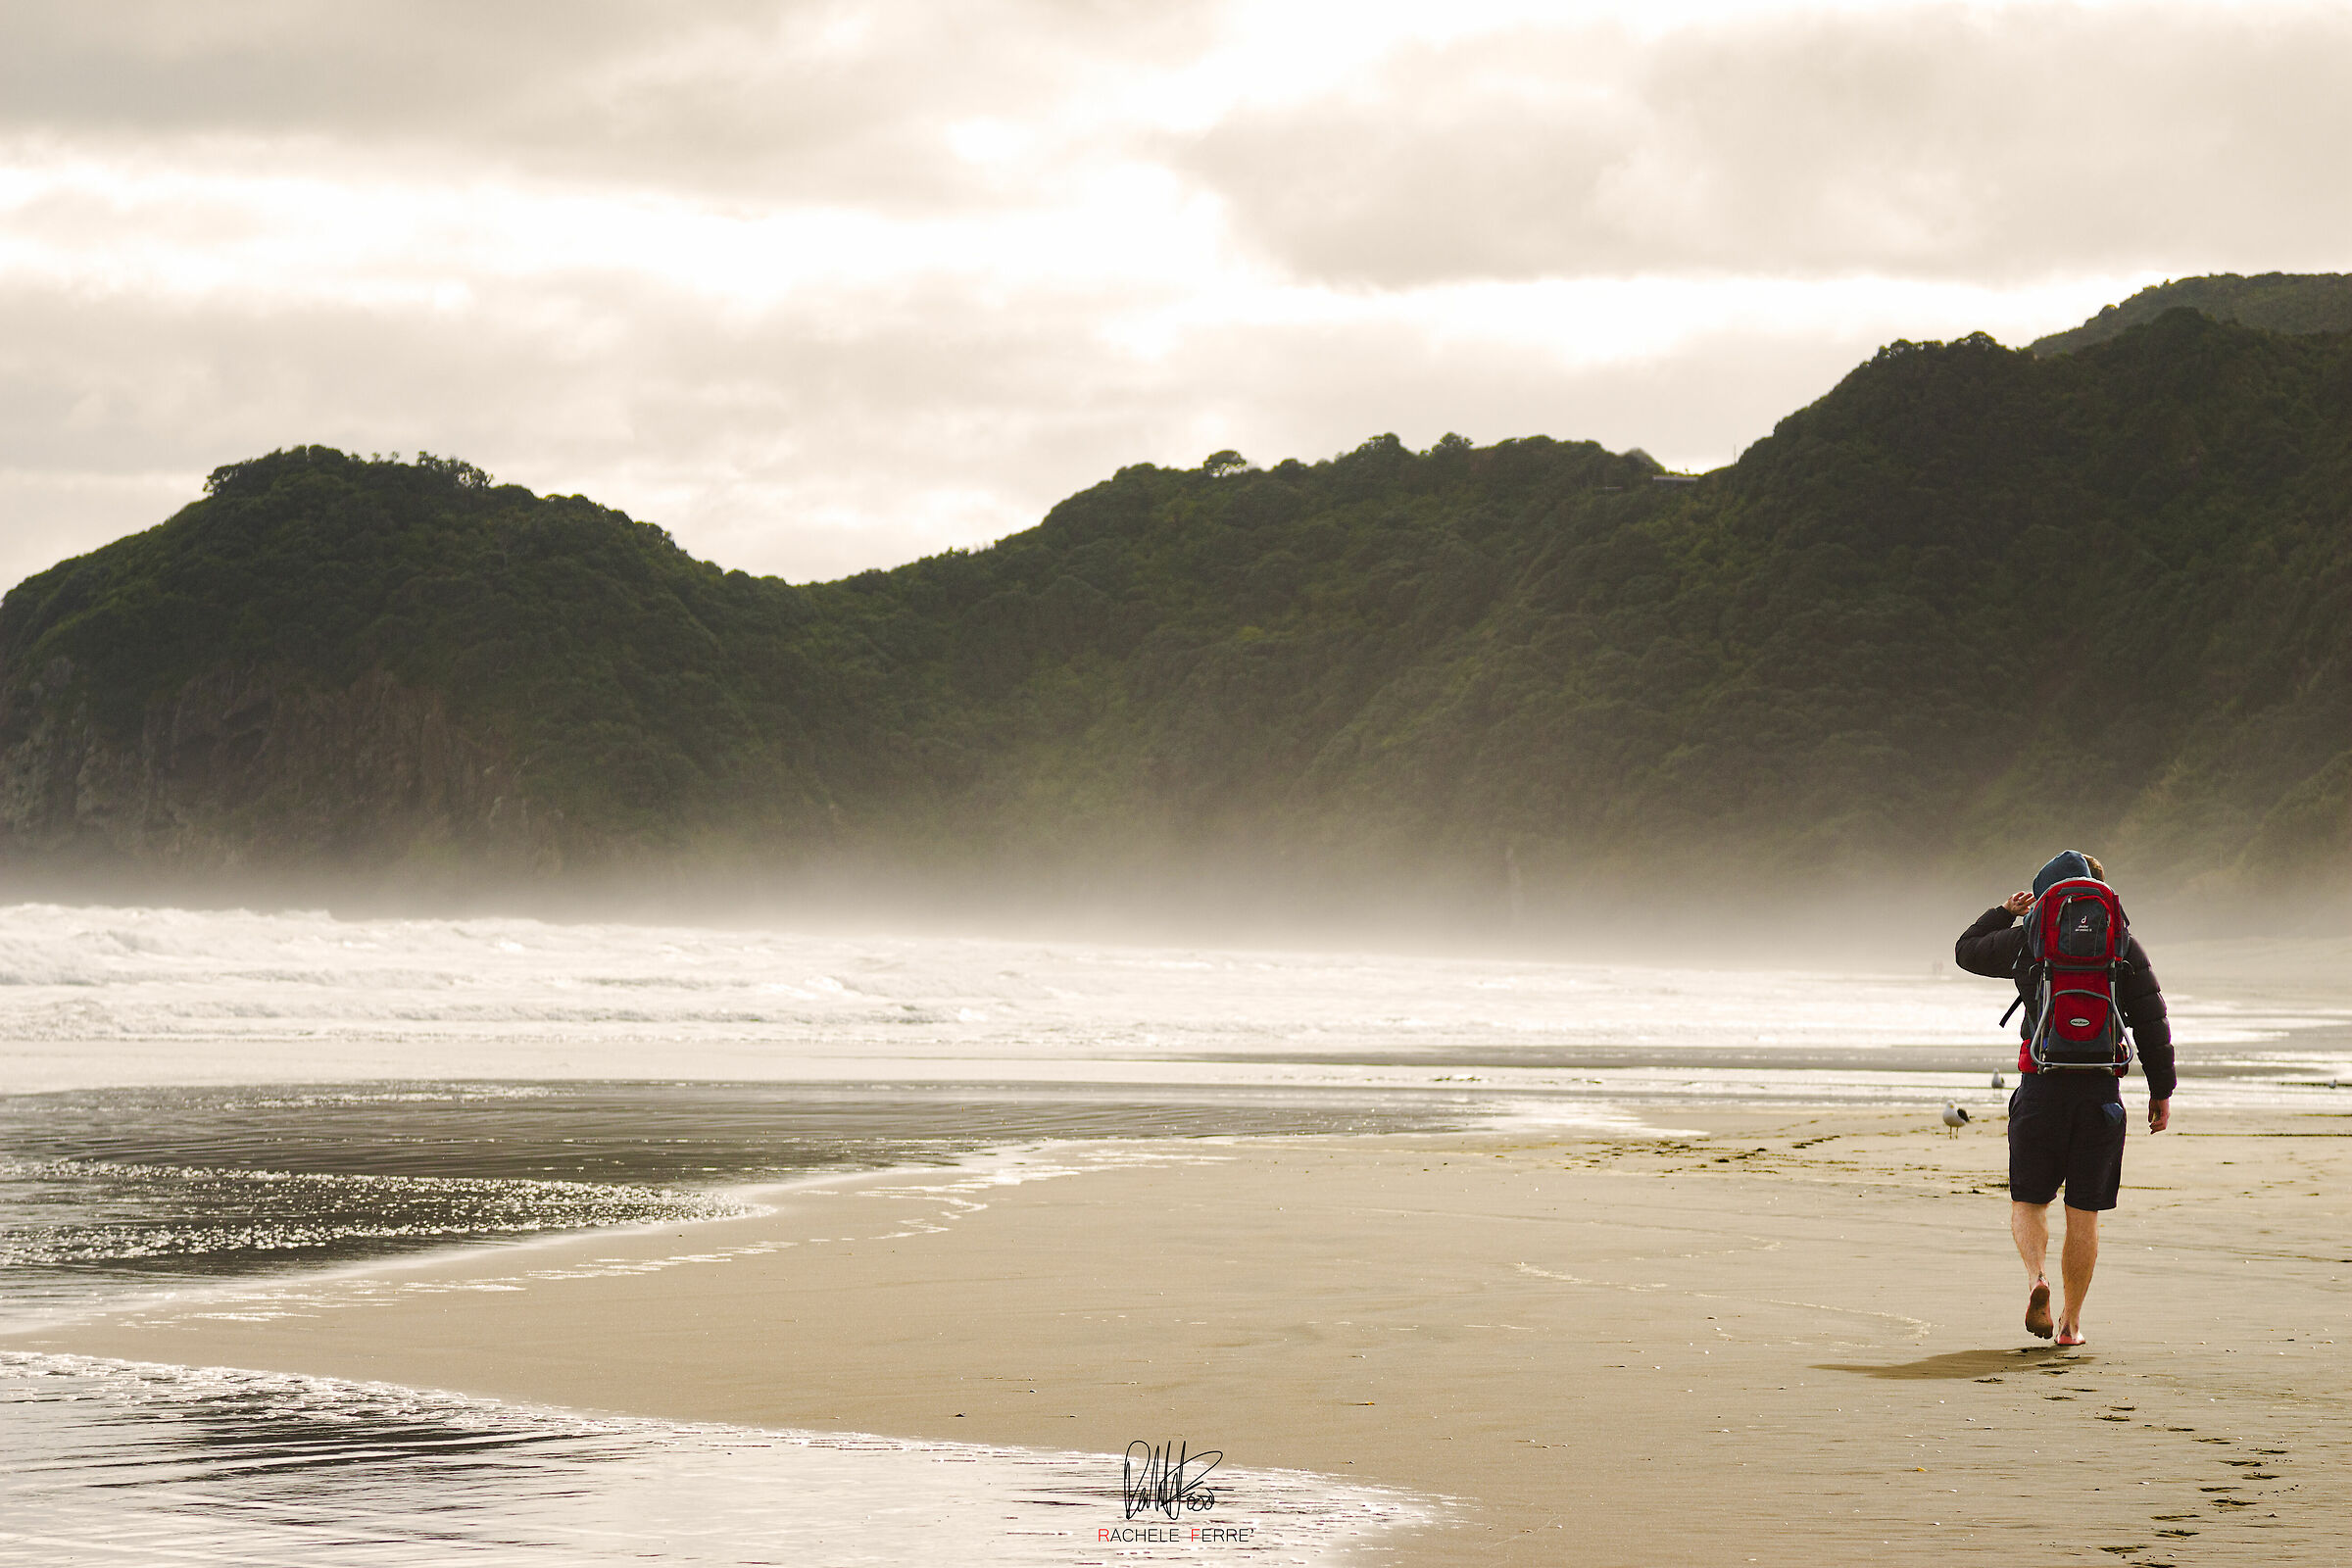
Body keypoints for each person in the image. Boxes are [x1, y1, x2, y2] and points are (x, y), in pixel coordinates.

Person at [1954, 851, 2175, 1346]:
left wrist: (2005, 913)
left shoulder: (2028, 939)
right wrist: (2161, 1090)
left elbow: (1966, 951)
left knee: (2029, 1200)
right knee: (2084, 1212)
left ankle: (2037, 1279)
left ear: (2044, 893)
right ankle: (2071, 1326)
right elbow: (2152, 1019)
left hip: (2041, 1087)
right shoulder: (2120, 941)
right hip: (2100, 1093)